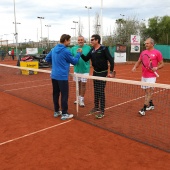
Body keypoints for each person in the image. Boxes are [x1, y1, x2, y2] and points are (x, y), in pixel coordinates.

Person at [45, 34, 82, 120]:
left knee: (56, 94)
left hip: (54, 75)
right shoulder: (66, 51)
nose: (69, 42)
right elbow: (74, 61)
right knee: (64, 95)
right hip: (62, 77)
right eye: (69, 40)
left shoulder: (53, 49)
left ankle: (56, 111)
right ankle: (64, 113)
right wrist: (78, 53)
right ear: (65, 40)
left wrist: (55, 65)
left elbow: (47, 59)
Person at [81, 34, 115, 119]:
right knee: (96, 90)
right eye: (91, 39)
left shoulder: (104, 49)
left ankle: (102, 111)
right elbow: (86, 59)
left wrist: (111, 72)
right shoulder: (92, 50)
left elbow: (111, 60)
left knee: (101, 91)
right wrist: (80, 53)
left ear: (97, 40)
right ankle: (96, 107)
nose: (91, 41)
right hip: (95, 72)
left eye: (92, 40)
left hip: (103, 73)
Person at [132, 37, 164, 116]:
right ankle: (151, 104)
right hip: (144, 75)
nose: (145, 44)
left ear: (152, 44)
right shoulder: (143, 52)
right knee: (146, 91)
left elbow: (162, 64)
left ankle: (143, 109)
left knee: (149, 92)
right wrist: (135, 67)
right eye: (145, 43)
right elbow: (139, 61)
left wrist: (157, 68)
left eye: (147, 43)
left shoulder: (157, 52)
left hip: (152, 76)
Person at [71, 35, 91, 107]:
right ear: (77, 41)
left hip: (85, 70)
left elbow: (91, 56)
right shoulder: (73, 48)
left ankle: (81, 99)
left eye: (81, 40)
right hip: (76, 70)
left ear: (84, 40)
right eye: (79, 40)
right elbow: (70, 57)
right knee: (78, 84)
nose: (80, 41)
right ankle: (78, 98)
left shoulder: (88, 48)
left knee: (83, 84)